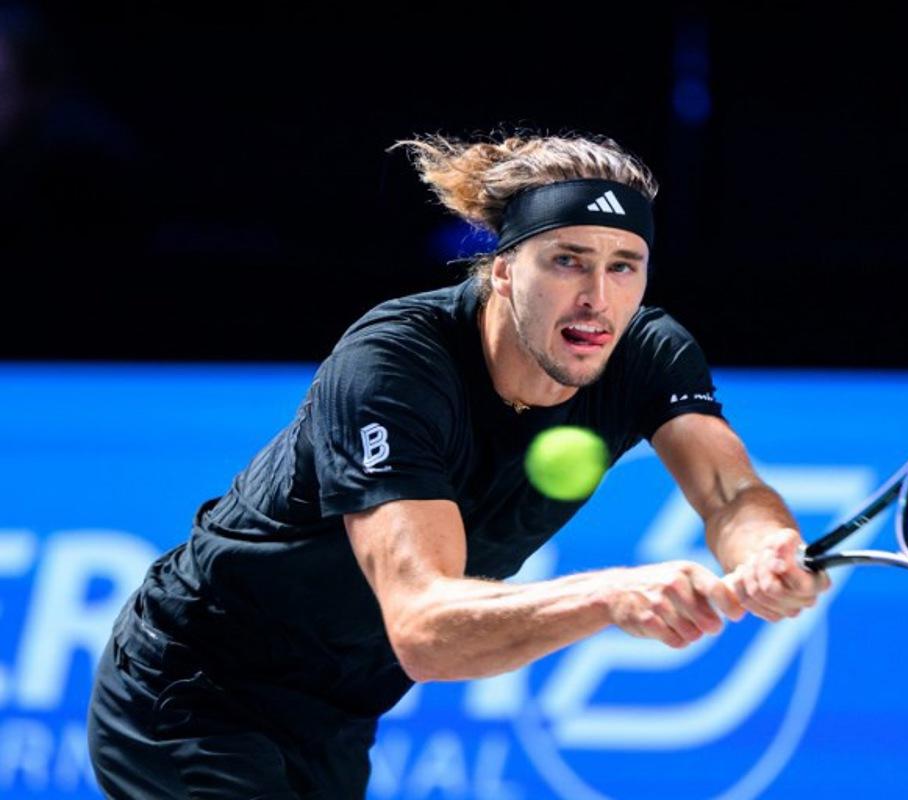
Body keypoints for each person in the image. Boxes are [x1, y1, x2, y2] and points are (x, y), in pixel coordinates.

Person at [87, 131, 832, 799]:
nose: (598, 298)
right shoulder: (394, 365)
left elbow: (731, 492)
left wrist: (766, 548)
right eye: (567, 260)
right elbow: (424, 625)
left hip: (338, 713)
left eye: (624, 266)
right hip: (193, 686)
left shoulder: (646, 350)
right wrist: (612, 595)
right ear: (503, 270)